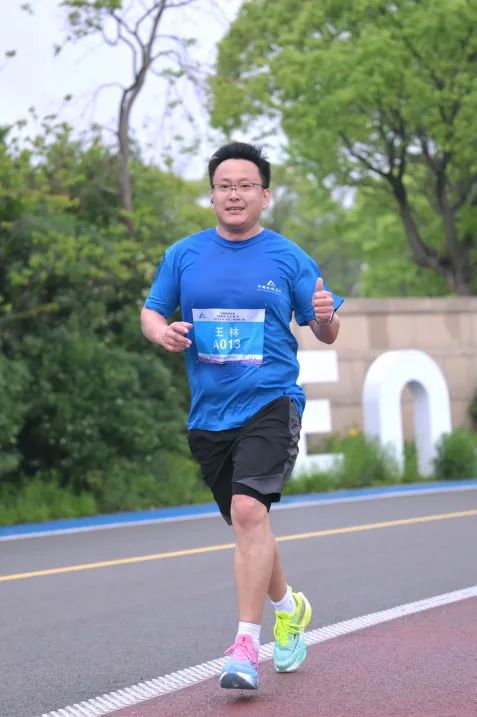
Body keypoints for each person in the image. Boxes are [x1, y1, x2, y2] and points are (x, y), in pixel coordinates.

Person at [140, 141, 343, 690]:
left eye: (246, 185)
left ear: (264, 196)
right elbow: (152, 311)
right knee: (250, 524)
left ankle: (246, 648)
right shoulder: (183, 255)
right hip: (210, 415)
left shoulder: (288, 257)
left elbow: (324, 329)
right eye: (225, 186)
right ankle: (289, 607)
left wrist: (326, 318)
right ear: (212, 196)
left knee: (249, 511)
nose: (235, 194)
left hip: (272, 402)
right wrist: (162, 333)